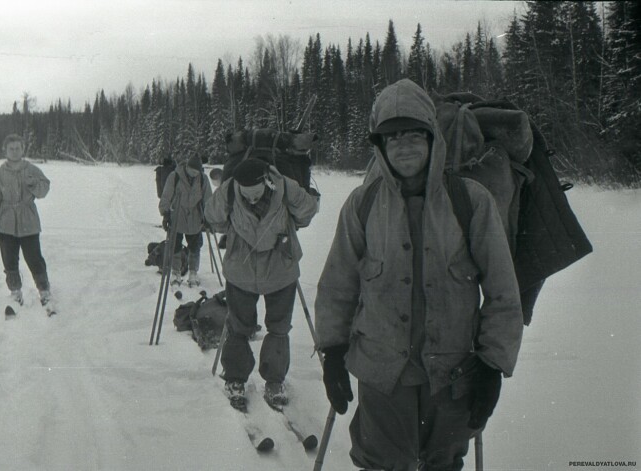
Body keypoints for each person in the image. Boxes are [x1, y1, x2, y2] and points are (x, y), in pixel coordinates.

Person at [314, 79, 524, 471]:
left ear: (432, 139)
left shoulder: (471, 200)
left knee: (443, 464)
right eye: (393, 138)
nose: (405, 146)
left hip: (452, 374)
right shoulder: (363, 204)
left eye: (414, 135)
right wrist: (333, 352)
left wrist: (493, 366)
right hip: (381, 374)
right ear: (381, 147)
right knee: (380, 463)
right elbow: (338, 285)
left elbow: (502, 291)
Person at [205, 158, 318, 411]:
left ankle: (274, 381)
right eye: (247, 196)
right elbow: (213, 216)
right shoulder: (231, 190)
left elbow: (308, 211)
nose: (253, 200)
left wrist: (293, 191)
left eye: (257, 195)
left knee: (278, 327)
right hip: (241, 271)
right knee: (238, 326)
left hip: (280, 270)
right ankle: (235, 378)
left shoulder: (284, 188)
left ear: (267, 182)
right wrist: (226, 200)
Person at [0, 134, 53, 309]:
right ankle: (15, 292)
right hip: (6, 223)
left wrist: (33, 184)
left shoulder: (31, 169)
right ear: (5, 150)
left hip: (29, 222)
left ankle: (44, 291)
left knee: (34, 259)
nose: (15, 152)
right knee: (9, 261)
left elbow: (44, 190)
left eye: (18, 148)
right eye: (11, 148)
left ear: (23, 149)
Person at [158, 153, 212, 287]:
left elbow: (208, 199)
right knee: (175, 246)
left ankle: (193, 272)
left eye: (196, 171)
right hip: (177, 216)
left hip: (195, 218)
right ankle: (176, 272)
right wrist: (165, 213)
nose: (194, 173)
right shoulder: (175, 176)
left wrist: (209, 217)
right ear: (187, 167)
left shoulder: (203, 179)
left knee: (195, 247)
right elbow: (166, 196)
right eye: (192, 170)